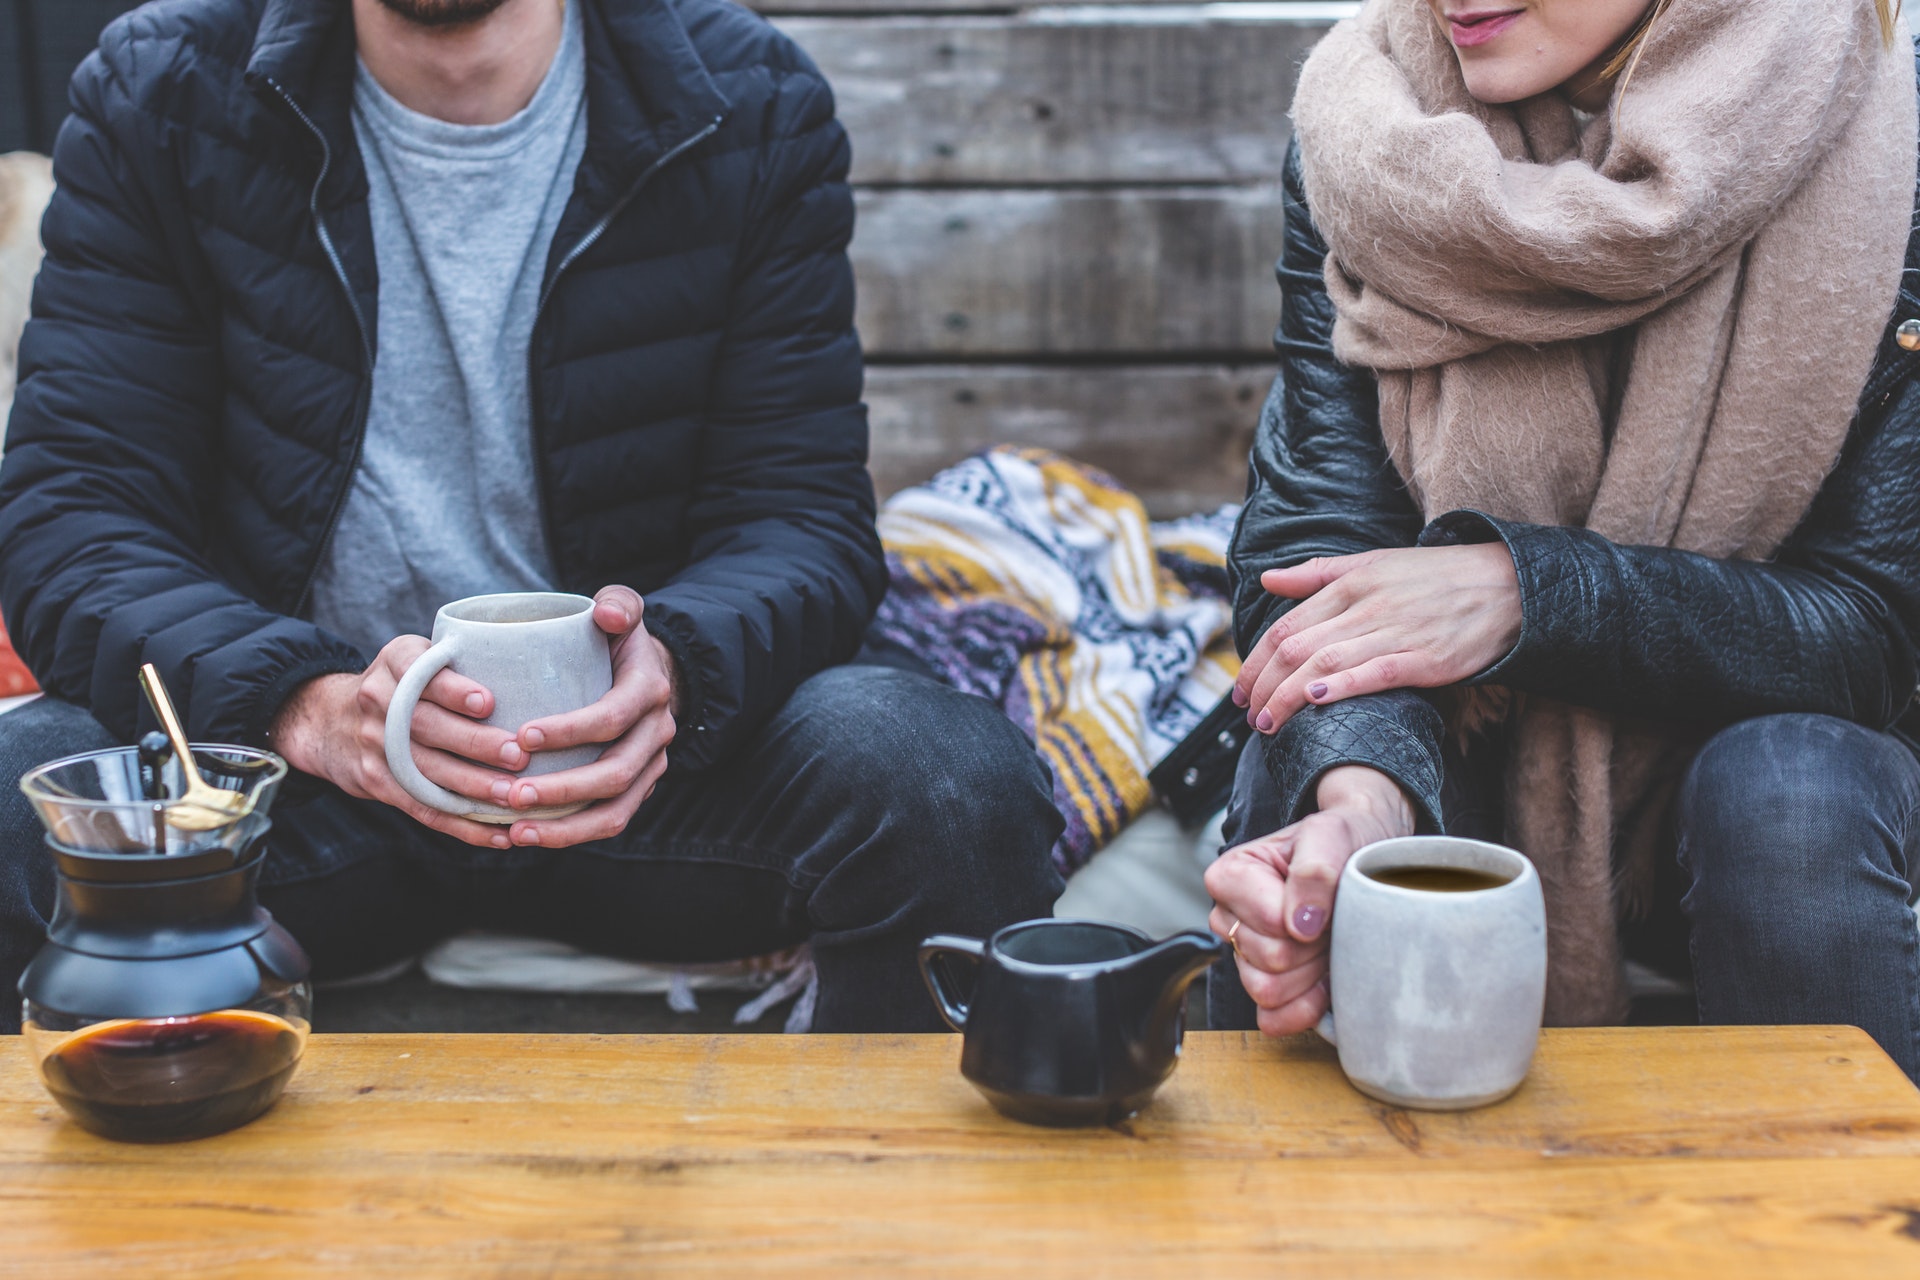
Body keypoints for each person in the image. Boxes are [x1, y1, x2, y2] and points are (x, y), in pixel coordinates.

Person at [0, 0, 1065, 1034]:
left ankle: (888, 1211)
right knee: (21, 781)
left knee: (945, 780)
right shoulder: (164, 89)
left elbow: (802, 517)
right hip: (295, 792)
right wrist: (306, 709)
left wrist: (679, 673)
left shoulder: (747, 96)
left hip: (641, 781)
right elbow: (75, 516)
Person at [1206, 0, 1920, 1080]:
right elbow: (1321, 547)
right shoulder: (1372, 128)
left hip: (1753, 786)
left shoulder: (1891, 134)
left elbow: (1871, 630)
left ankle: (1851, 1236)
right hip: (1473, 760)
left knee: (1791, 791)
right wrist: (1361, 798)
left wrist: (1524, 595)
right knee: (1299, 768)